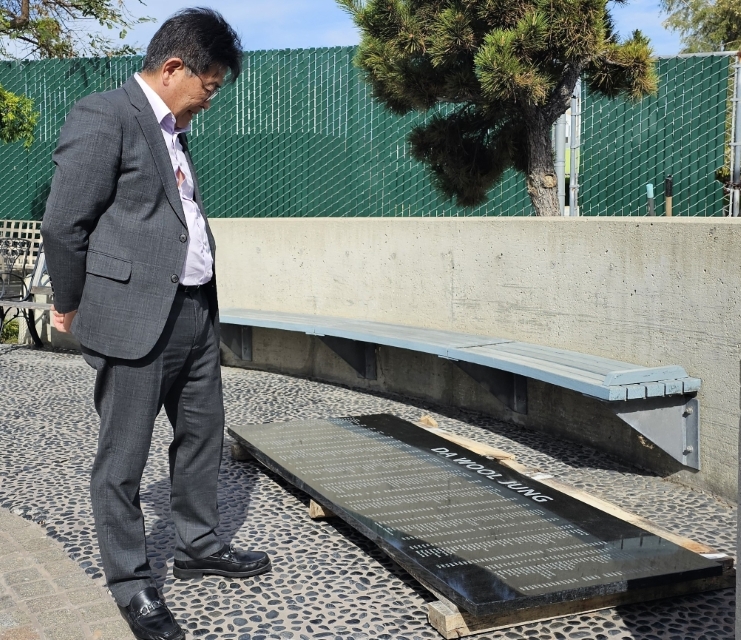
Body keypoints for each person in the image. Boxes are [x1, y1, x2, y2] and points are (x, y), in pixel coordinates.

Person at [41, 9, 270, 640]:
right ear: (173, 68)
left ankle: (198, 546)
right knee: (123, 457)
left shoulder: (173, 129)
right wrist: (71, 301)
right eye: (209, 86)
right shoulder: (105, 115)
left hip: (194, 310)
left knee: (201, 436)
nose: (210, 99)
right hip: (134, 317)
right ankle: (132, 583)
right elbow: (64, 222)